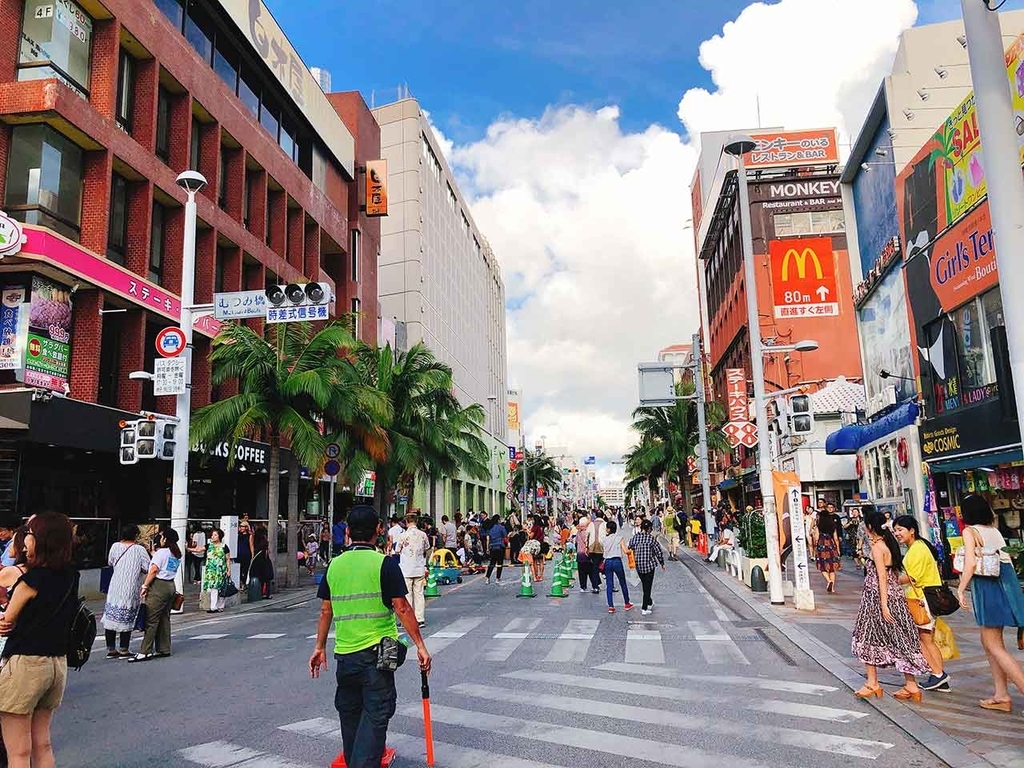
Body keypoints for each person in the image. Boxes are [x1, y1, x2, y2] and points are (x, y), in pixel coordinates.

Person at [309, 505, 431, 768]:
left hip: (345, 656)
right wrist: (420, 645)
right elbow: (402, 607)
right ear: (379, 530)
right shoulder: (384, 564)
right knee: (376, 715)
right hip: (378, 657)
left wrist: (319, 647)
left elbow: (325, 610)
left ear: (349, 532)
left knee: (350, 717)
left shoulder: (334, 566)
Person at [0, 514, 77, 767]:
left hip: (25, 664)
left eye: (30, 534)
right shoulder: (70, 576)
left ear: (43, 540)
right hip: (56, 665)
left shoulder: (30, 581)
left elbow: (6, 623)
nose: (25, 540)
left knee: (19, 752)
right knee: (42, 744)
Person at [955, 494, 1024, 713]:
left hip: (988, 588)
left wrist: (960, 589)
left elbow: (971, 563)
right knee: (990, 643)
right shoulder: (994, 530)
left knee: (994, 645)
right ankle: (1001, 694)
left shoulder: (969, 531)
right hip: (1006, 584)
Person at [850, 510, 929, 701]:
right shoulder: (888, 545)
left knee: (868, 637)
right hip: (896, 597)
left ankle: (872, 683)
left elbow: (882, 577)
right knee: (900, 639)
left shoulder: (878, 548)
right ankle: (911, 685)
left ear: (869, 527)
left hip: (877, 599)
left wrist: (883, 605)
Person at [893, 515, 950, 692]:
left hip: (922, 599)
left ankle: (938, 674)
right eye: (895, 530)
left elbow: (912, 577)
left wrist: (889, 580)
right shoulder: (918, 547)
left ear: (912, 531)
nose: (897, 534)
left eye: (900, 530)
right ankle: (939, 677)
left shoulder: (917, 549)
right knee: (927, 640)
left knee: (924, 640)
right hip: (924, 598)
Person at [130, 528, 182, 663]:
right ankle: (164, 648)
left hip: (158, 586)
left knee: (151, 620)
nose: (160, 538)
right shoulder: (176, 553)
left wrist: (145, 586)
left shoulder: (162, 552)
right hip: (170, 586)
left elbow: (154, 570)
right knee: (165, 618)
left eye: (162, 536)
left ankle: (144, 651)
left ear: (165, 539)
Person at [101, 524, 150, 659]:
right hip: (131, 587)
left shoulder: (115, 546)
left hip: (115, 586)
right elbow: (147, 567)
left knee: (111, 616)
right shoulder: (139, 550)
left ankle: (111, 648)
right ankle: (124, 649)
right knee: (127, 618)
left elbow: (110, 562)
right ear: (135, 535)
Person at [397, 513, 430, 628]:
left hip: (406, 568)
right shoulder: (423, 535)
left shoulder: (403, 536)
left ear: (406, 522)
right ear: (416, 521)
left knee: (407, 595)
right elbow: (427, 547)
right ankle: (420, 619)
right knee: (419, 594)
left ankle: (407, 619)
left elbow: (397, 550)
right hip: (419, 567)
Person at [629, 519, 665, 615]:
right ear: (649, 529)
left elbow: (630, 547)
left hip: (638, 565)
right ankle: (644, 608)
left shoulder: (635, 538)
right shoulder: (651, 539)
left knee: (645, 585)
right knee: (647, 587)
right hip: (649, 565)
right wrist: (662, 563)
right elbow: (658, 551)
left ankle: (649, 601)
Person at [601, 520, 632, 613]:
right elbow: (626, 551)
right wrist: (631, 551)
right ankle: (627, 603)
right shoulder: (620, 538)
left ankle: (611, 606)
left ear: (608, 529)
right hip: (617, 561)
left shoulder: (604, 539)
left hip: (608, 562)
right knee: (622, 582)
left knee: (609, 584)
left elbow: (603, 551)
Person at [811, 507, 842, 593]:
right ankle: (832, 588)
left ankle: (829, 581)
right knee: (832, 568)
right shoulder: (833, 525)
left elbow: (816, 538)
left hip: (822, 546)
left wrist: (814, 540)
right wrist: (838, 549)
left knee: (823, 567)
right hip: (831, 546)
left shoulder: (818, 526)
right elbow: (836, 539)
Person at [202, 528, 231, 613]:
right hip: (211, 571)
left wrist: (229, 570)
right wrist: (188, 548)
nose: (213, 537)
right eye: (212, 535)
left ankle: (219, 606)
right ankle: (214, 606)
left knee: (222, 588)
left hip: (221, 570)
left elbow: (228, 559)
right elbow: (198, 549)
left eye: (215, 535)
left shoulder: (224, 547)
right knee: (213, 588)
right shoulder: (209, 546)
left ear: (219, 536)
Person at [484, 515, 507, 585]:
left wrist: (487, 548)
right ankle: (497, 578)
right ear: (498, 520)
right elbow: (505, 535)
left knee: (492, 563)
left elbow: (488, 539)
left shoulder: (490, 528)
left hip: (492, 547)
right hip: (500, 546)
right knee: (500, 563)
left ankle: (487, 578)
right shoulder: (501, 527)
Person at [237, 519, 253, 585]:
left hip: (246, 554)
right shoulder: (238, 535)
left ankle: (244, 583)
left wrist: (252, 555)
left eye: (242, 526)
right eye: (240, 526)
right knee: (239, 570)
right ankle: (240, 583)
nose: (241, 527)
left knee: (245, 570)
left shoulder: (250, 536)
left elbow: (251, 546)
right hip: (239, 554)